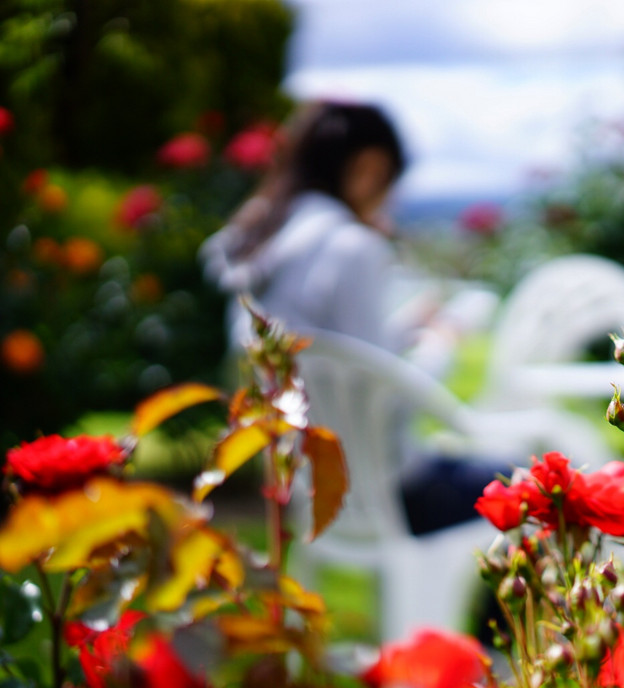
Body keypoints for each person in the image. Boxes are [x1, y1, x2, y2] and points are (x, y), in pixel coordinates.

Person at [201, 101, 504, 535]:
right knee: (525, 491)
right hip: (387, 493)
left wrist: (404, 327)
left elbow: (338, 357)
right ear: (369, 168)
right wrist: (444, 341)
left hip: (307, 490)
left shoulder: (263, 243)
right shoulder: (351, 247)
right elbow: (383, 395)